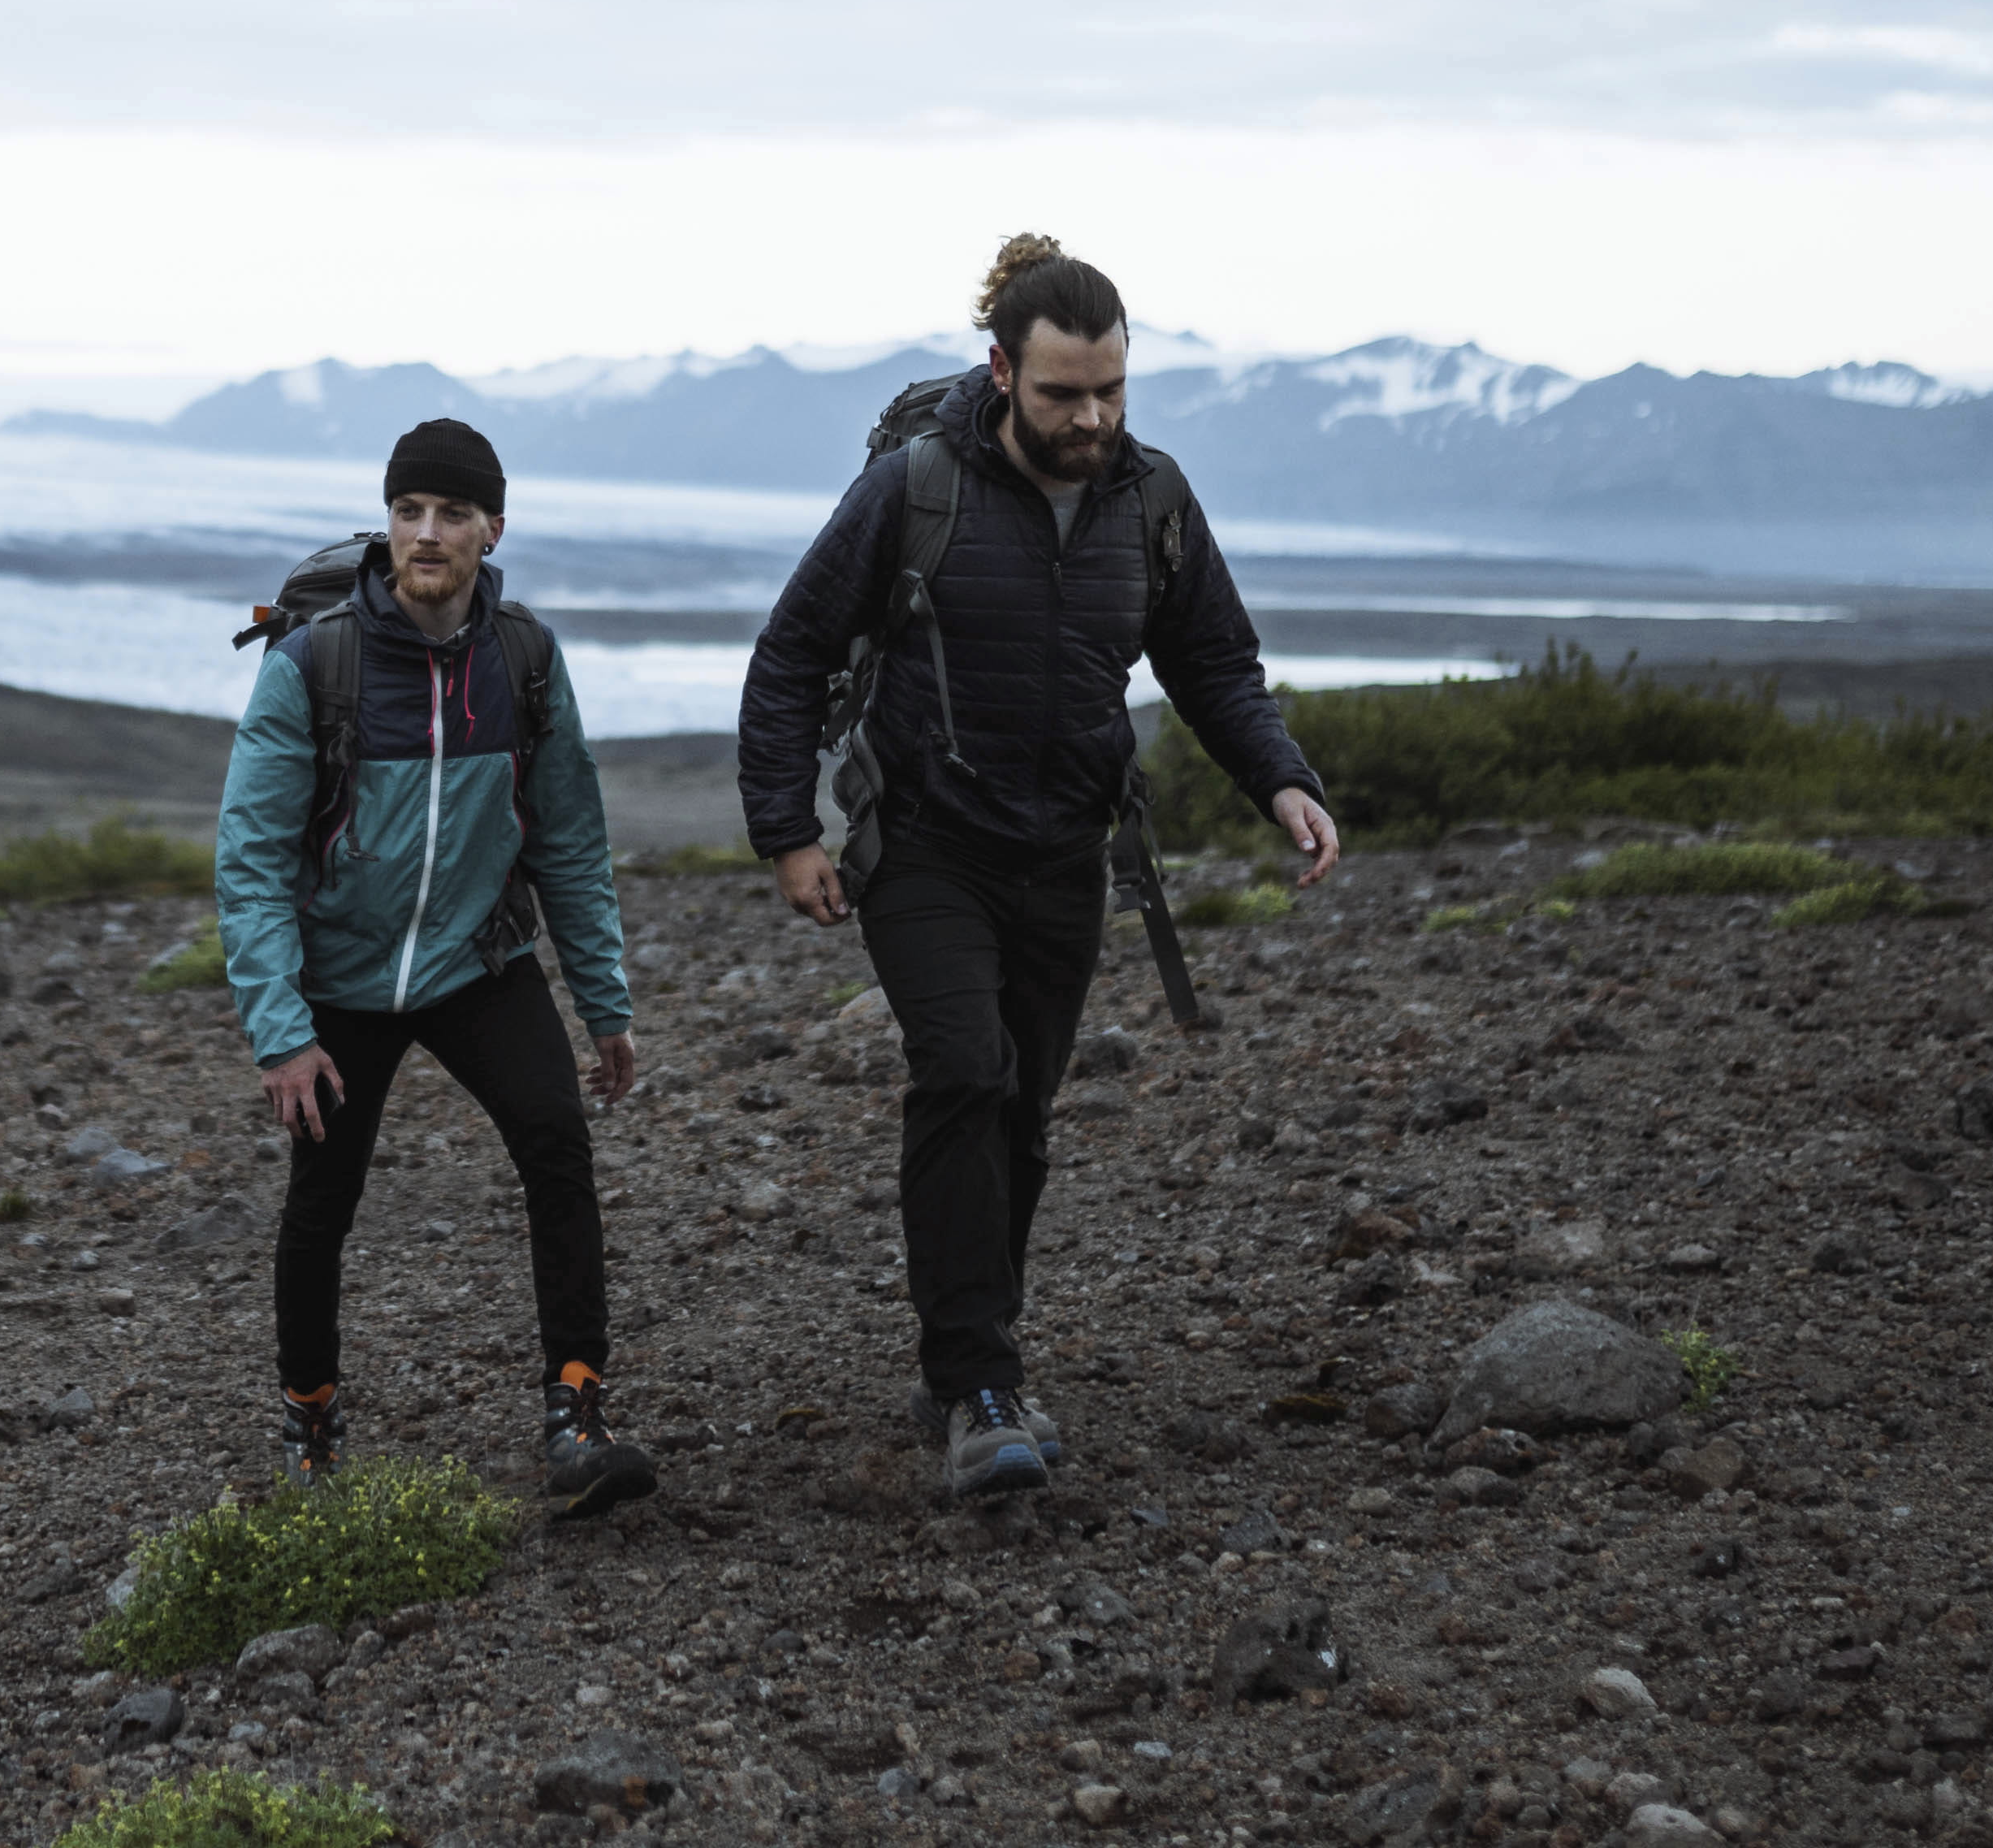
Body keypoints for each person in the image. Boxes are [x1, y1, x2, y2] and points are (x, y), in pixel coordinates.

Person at [735, 236, 1339, 1503]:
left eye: (1112, 390)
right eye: (1065, 393)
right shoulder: (916, 489)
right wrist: (788, 833)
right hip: (927, 846)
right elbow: (793, 653)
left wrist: (1282, 779)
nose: (1092, 417)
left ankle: (966, 1359)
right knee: (963, 1073)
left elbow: (1216, 665)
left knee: (1021, 1113)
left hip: (1068, 854)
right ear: (1003, 371)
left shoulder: (1152, 502)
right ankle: (978, 1384)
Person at [214, 415, 655, 1513]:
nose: (426, 532)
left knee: (557, 1144)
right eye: (409, 510)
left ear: (490, 529)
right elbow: (252, 862)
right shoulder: (317, 665)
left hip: (476, 961)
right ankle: (310, 1422)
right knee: (325, 1198)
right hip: (338, 980)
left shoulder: (526, 662)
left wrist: (605, 1004)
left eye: (451, 513)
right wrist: (283, 1033)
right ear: (389, 520)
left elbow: (567, 841)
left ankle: (578, 1412)